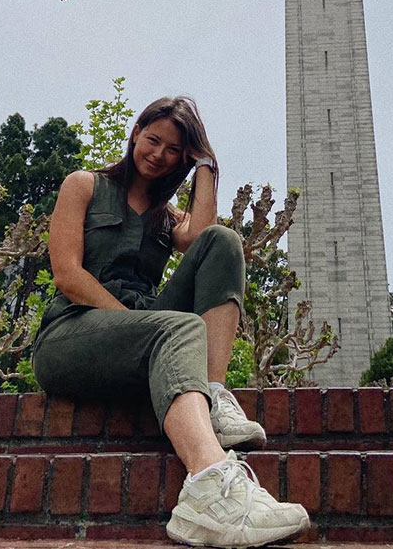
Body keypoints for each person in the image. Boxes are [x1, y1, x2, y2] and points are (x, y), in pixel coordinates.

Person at [32, 96, 309, 548]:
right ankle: (207, 485)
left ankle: (213, 397)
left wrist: (207, 166)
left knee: (224, 241)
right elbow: (67, 274)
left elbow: (201, 238)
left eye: (174, 149)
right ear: (136, 132)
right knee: (176, 327)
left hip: (143, 336)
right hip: (70, 335)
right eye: (153, 139)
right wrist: (139, 328)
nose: (158, 154)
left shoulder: (167, 218)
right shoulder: (84, 185)